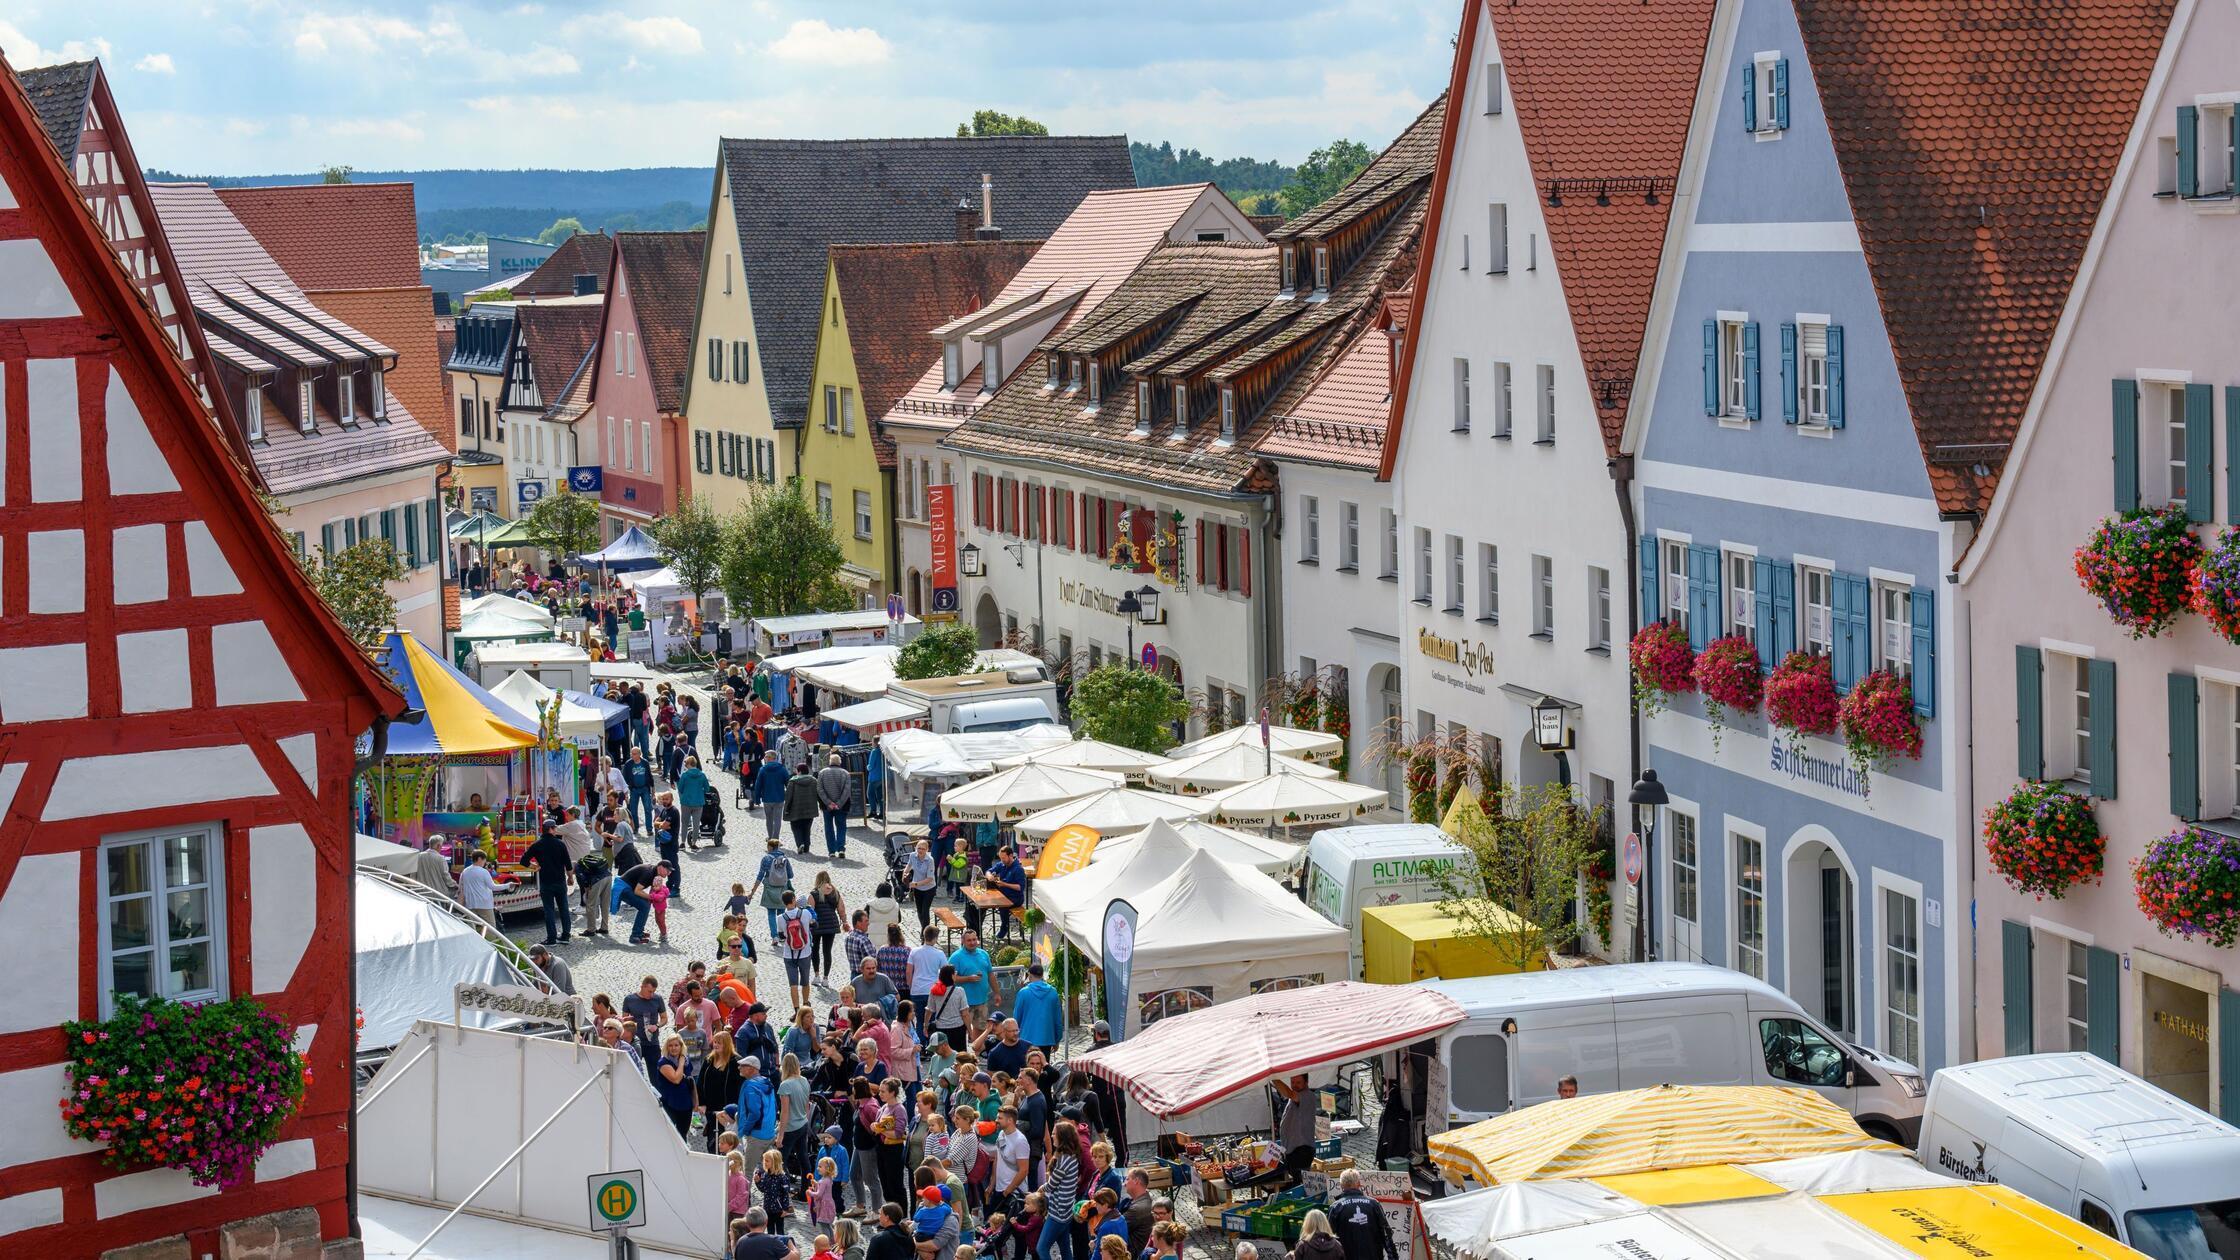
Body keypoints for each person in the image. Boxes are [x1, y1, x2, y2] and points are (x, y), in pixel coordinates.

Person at [1035, 1120, 1081, 1260]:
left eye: (1055, 1134)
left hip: (1058, 1213)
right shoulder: (1071, 1156)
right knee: (1065, 1248)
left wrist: (1037, 1191)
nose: (1052, 1136)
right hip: (1067, 1211)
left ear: (1062, 1137)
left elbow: (1050, 1186)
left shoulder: (1063, 1160)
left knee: (1041, 1248)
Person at [1326, 1171, 1396, 1260]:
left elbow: (1328, 1237)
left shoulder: (1336, 1207)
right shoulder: (1373, 1204)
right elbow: (1386, 1234)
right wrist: (1393, 1257)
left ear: (1341, 1185)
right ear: (1359, 1184)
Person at [702, 1030, 746, 1153]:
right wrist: (701, 1103)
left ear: (726, 1044)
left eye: (719, 1043)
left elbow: (741, 1085)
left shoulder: (736, 1061)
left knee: (728, 1137)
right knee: (713, 1137)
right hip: (711, 1105)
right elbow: (700, 1082)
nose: (715, 1045)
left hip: (729, 1107)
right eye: (715, 1042)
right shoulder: (709, 1060)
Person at [1272, 1074, 1319, 1185]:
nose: (1294, 1085)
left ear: (1306, 1083)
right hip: (1293, 1149)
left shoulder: (1307, 1096)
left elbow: (1288, 1093)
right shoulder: (1296, 1097)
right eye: (1292, 1082)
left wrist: (1272, 1077)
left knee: (1300, 1182)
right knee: (1296, 1181)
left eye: (1298, 1083)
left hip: (1302, 1149)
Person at [948, 931, 995, 1038]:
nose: (972, 942)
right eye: (969, 940)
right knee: (961, 1031)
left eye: (974, 939)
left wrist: (997, 993)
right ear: (963, 941)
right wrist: (968, 978)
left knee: (981, 1029)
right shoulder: (956, 957)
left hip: (982, 1000)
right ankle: (963, 1053)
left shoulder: (983, 954)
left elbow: (990, 974)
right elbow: (951, 979)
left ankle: (976, 1052)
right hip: (963, 1003)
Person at [779, 891, 818, 1010]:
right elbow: (813, 923)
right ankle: (806, 1004)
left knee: (793, 984)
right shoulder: (805, 913)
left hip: (789, 954)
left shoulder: (780, 918)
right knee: (805, 981)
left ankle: (796, 1009)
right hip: (805, 952)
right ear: (793, 900)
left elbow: (781, 936)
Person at [751, 838, 797, 941]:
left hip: (769, 888)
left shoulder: (766, 859)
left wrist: (753, 891)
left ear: (770, 847)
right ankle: (782, 935)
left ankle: (774, 936)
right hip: (782, 889)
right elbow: (790, 875)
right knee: (781, 912)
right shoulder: (785, 859)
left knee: (771, 913)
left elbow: (760, 875)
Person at [780, 1052, 816, 1183]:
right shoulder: (804, 1080)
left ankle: (782, 1189)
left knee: (780, 1160)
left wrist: (780, 1135)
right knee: (803, 1158)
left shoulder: (785, 1085)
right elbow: (807, 1106)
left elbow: (785, 1112)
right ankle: (805, 1189)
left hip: (790, 1127)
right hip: (803, 1124)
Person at [738, 1056, 779, 1170]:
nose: (739, 1068)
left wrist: (746, 1130)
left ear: (752, 1069)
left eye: (743, 1066)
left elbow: (754, 1113)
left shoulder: (750, 1086)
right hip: (769, 1133)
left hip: (755, 1135)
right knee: (771, 1170)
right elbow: (774, 1106)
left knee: (748, 1171)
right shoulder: (767, 1082)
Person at [1011, 965, 1061, 1056]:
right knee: (1043, 1066)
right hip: (1047, 1038)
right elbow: (1057, 1019)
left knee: (1027, 1068)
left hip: (1026, 1038)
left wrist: (1014, 1036)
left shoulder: (1023, 992)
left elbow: (1016, 1017)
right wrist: (1057, 1039)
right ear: (1042, 975)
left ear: (1029, 975)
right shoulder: (1053, 992)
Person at [654, 1033, 696, 1137]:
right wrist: (681, 1063)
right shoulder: (663, 1062)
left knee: (682, 1135)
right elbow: (676, 1079)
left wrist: (696, 1102)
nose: (673, 1048)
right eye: (670, 1045)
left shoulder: (686, 1060)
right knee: (669, 1135)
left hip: (686, 1104)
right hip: (670, 1104)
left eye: (676, 1045)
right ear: (666, 1047)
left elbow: (691, 1080)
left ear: (681, 1046)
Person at [908, 926, 947, 1034]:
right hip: (933, 991)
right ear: (935, 938)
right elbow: (945, 973)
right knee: (933, 1020)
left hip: (917, 991)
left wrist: (911, 986)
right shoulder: (939, 954)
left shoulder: (914, 952)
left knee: (920, 1020)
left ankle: (921, 1046)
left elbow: (909, 971)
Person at [812, 871, 848, 983]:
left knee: (815, 950)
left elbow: (810, 910)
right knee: (827, 951)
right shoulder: (835, 893)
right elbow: (841, 909)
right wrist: (844, 921)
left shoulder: (814, 893)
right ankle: (826, 978)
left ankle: (817, 975)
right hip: (831, 925)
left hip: (817, 925)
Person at [457, 851, 509, 927]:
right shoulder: (484, 872)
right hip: (484, 904)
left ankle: (474, 939)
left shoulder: (465, 871)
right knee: (490, 927)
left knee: (471, 927)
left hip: (470, 903)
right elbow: (493, 887)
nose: (485, 862)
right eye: (484, 860)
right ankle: (488, 939)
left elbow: (461, 887)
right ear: (479, 859)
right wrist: (508, 885)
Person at [818, 752, 855, 858]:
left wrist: (828, 802)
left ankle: (831, 851)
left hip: (827, 806)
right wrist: (839, 803)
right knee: (841, 827)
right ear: (839, 762)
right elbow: (847, 790)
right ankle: (841, 848)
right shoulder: (845, 773)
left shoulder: (822, 773)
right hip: (842, 806)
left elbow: (820, 789)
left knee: (829, 828)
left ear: (830, 761)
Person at [986, 848, 1026, 941]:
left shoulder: (1018, 869)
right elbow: (988, 871)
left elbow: (1020, 887)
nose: (1002, 860)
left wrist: (1004, 884)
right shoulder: (1002, 864)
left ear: (1011, 856)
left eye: (1004, 858)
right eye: (1000, 858)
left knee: (1003, 905)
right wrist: (989, 876)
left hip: (1015, 898)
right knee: (981, 903)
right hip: (1003, 894)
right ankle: (976, 927)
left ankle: (1004, 929)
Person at [786, 760, 824, 855]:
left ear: (799, 771)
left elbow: (788, 797)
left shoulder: (793, 782)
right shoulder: (814, 781)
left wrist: (786, 809)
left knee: (796, 827)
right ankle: (806, 846)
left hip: (795, 809)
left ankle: (800, 844)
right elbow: (819, 794)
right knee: (807, 828)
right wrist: (821, 805)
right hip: (810, 809)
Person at [733, 1206, 798, 1260]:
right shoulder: (773, 1241)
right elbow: (795, 1258)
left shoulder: (740, 1242)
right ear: (766, 1222)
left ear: (747, 1224)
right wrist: (789, 1241)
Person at [755, 749, 791, 843]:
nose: (764, 758)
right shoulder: (782, 769)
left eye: (765, 757)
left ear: (770, 758)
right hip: (779, 797)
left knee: (769, 819)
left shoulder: (763, 769)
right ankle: (776, 839)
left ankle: (771, 838)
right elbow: (788, 783)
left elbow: (758, 784)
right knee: (777, 819)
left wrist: (757, 798)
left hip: (767, 798)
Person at [906, 839, 939, 930]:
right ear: (916, 848)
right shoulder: (912, 855)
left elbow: (930, 878)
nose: (920, 850)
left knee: (925, 911)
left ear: (927, 850)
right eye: (919, 848)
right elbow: (909, 865)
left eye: (923, 849)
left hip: (929, 888)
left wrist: (916, 884)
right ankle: (924, 928)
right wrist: (905, 873)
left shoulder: (930, 860)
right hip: (917, 889)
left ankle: (925, 933)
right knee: (919, 911)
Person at [679, 756, 711, 846]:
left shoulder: (685, 775)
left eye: (686, 764)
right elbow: (707, 789)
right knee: (696, 824)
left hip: (686, 802)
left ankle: (682, 842)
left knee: (685, 823)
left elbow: (680, 788)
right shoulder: (702, 775)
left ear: (689, 764)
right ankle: (693, 843)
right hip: (698, 802)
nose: (685, 765)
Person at [625, 746, 656, 832]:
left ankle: (649, 829)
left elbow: (650, 776)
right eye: (632, 753)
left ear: (639, 754)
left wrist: (653, 790)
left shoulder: (645, 762)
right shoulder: (628, 764)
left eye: (634, 754)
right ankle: (636, 827)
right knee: (633, 810)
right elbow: (625, 777)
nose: (632, 755)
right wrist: (626, 791)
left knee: (648, 809)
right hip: (634, 789)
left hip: (645, 789)